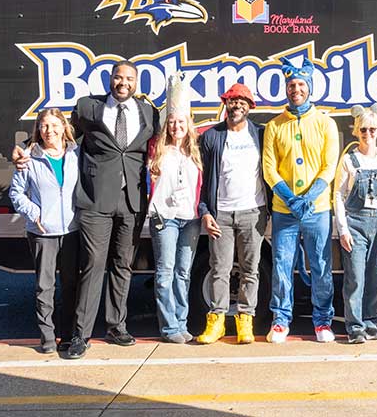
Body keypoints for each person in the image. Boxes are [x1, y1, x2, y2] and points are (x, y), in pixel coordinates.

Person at [16, 61, 159, 359]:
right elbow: (57, 137)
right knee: (93, 265)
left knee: (123, 265)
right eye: (118, 77)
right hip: (95, 201)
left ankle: (116, 326)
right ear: (110, 79)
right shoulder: (87, 108)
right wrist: (23, 149)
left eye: (129, 79)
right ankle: (80, 334)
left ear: (137, 82)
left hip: (132, 201)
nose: (123, 83)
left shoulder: (149, 113)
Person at [262, 55, 339, 344]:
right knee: (282, 265)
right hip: (285, 210)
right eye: (291, 84)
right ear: (286, 88)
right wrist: (290, 198)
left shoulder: (325, 123)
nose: (296, 89)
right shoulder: (274, 126)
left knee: (320, 265)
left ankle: (322, 321)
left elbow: (329, 165)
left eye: (301, 84)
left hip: (317, 210)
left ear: (309, 87)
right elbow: (269, 167)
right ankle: (280, 321)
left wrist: (309, 197)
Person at [197, 83, 268, 345]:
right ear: (226, 104)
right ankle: (216, 321)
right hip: (221, 214)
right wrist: (205, 211)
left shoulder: (260, 134)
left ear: (249, 107)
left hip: (253, 212)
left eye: (242, 101)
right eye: (232, 100)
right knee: (219, 269)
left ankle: (245, 320)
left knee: (250, 270)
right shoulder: (212, 136)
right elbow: (201, 178)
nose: (237, 105)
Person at [9, 108, 80, 354]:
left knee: (71, 285)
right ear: (38, 130)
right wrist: (34, 213)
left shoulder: (76, 155)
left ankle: (69, 335)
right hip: (42, 232)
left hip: (72, 230)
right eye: (44, 126)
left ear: (63, 127)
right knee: (44, 286)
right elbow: (16, 193)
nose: (49, 130)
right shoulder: (29, 158)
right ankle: (47, 336)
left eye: (54, 125)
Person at [147, 73, 202, 344]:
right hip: (164, 218)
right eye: (172, 122)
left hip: (189, 219)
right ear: (165, 124)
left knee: (184, 272)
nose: (176, 127)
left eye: (180, 122)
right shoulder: (155, 149)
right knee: (165, 272)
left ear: (188, 123)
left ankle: (181, 321)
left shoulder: (195, 151)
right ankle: (169, 327)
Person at [333, 104, 377, 343]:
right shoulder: (349, 160)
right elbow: (338, 195)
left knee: (376, 276)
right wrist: (343, 229)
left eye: (371, 129)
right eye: (363, 130)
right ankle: (355, 326)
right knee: (355, 277)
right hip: (355, 223)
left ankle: (371, 322)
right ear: (356, 131)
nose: (367, 134)